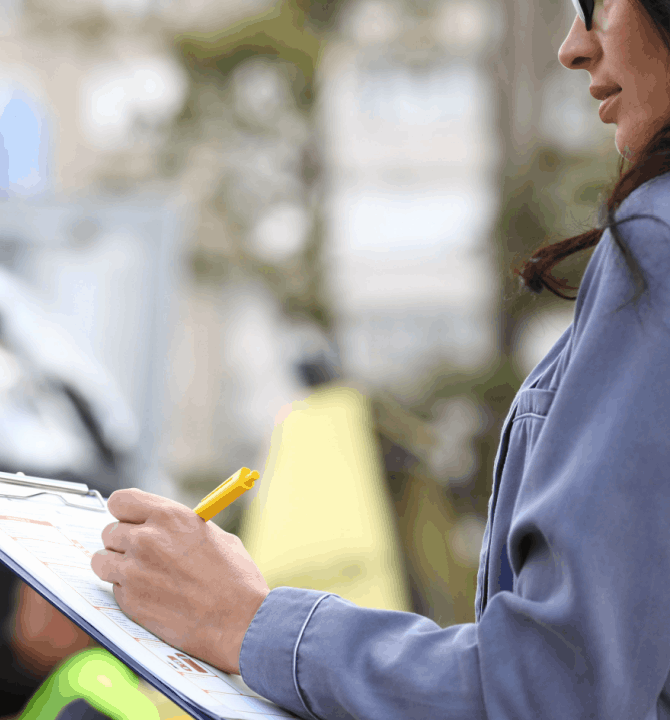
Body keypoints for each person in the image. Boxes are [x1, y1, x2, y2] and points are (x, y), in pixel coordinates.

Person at [91, 0, 670, 716]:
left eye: (601, 2)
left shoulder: (659, 239)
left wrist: (241, 621)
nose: (573, 47)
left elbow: (552, 693)